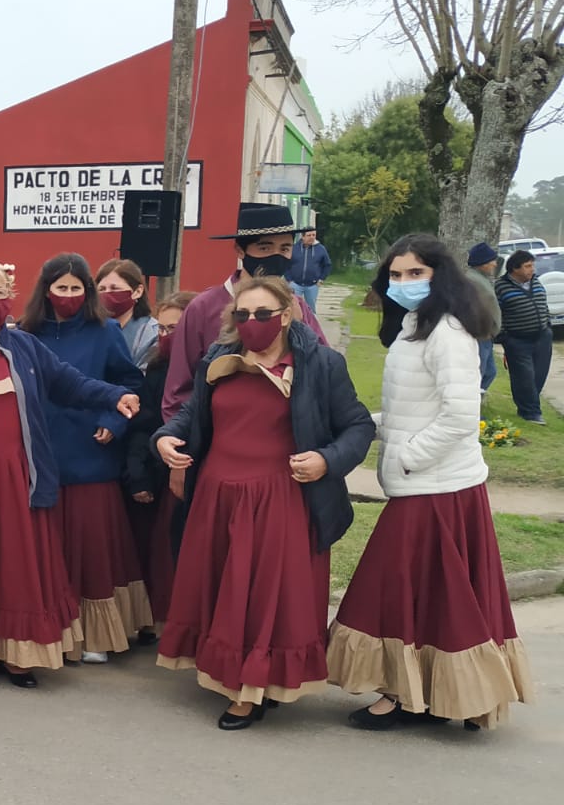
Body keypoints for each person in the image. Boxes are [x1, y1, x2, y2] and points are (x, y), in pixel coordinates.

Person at [328, 234, 533, 731]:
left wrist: (406, 458)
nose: (403, 284)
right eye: (396, 275)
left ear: (440, 275)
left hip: (437, 487)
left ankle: (403, 694)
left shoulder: (448, 333)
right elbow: (413, 407)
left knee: (396, 589)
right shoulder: (415, 326)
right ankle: (427, 693)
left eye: (415, 274)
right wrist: (367, 426)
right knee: (432, 595)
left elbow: (460, 417)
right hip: (425, 481)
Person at [155, 275, 374, 730]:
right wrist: (166, 438)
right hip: (218, 495)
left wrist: (327, 461)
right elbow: (192, 413)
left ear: (287, 315)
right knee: (227, 591)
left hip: (281, 498)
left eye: (263, 314)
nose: (252, 322)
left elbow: (357, 426)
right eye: (243, 314)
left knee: (263, 596)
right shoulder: (217, 358)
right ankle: (235, 674)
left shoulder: (321, 364)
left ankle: (249, 690)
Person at [0, 260, 140, 688]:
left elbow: (72, 384)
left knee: (16, 565)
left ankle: (17, 652)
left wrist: (117, 396)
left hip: (19, 478)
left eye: (2, 293)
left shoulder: (26, 348)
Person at [21, 254, 148, 664]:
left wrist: (115, 420)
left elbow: (129, 382)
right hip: (42, 451)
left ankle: (95, 634)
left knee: (92, 548)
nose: (70, 296)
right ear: (46, 291)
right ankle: (49, 631)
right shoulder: (26, 333)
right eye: (62, 288)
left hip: (92, 448)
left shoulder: (105, 330)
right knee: (47, 547)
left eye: (77, 289)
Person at [162, 203, 330, 421]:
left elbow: (325, 370)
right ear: (240, 250)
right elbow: (179, 386)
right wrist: (183, 440)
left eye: (285, 248)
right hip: (218, 434)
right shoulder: (204, 308)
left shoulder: (296, 307)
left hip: (287, 434)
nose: (276, 256)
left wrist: (298, 326)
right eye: (265, 248)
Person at [121, 291, 197, 641]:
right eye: (162, 329)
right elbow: (143, 425)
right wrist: (137, 473)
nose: (167, 337)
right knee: (159, 551)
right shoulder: (156, 367)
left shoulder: (212, 369)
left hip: (198, 473)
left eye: (176, 328)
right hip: (159, 473)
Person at [493, 249, 553, 424]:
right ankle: (531, 413)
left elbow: (543, 304)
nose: (532, 269)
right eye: (527, 266)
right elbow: (497, 313)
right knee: (524, 376)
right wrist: (504, 337)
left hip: (542, 337)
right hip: (517, 340)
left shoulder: (536, 282)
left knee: (538, 376)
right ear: (514, 268)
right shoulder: (501, 286)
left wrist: (547, 325)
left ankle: (527, 404)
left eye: (532, 265)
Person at [95, 258, 159, 369]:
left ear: (137, 292)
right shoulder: (91, 327)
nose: (107, 294)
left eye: (115, 288)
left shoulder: (152, 333)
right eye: (102, 289)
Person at [465, 242, 503, 395]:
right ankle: (472, 410)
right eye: (491, 261)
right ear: (481, 263)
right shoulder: (473, 281)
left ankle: (476, 405)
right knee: (478, 374)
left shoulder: (482, 279)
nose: (494, 264)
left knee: (489, 372)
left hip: (487, 335)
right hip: (480, 335)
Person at [286, 227, 331, 314]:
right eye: (309, 235)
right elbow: (286, 264)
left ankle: (311, 326)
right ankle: (295, 326)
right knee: (294, 307)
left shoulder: (321, 249)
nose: (312, 237)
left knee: (311, 309)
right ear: (302, 236)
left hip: (312, 285)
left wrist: (321, 279)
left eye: (314, 235)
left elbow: (327, 265)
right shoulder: (294, 248)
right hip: (295, 284)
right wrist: (289, 279)